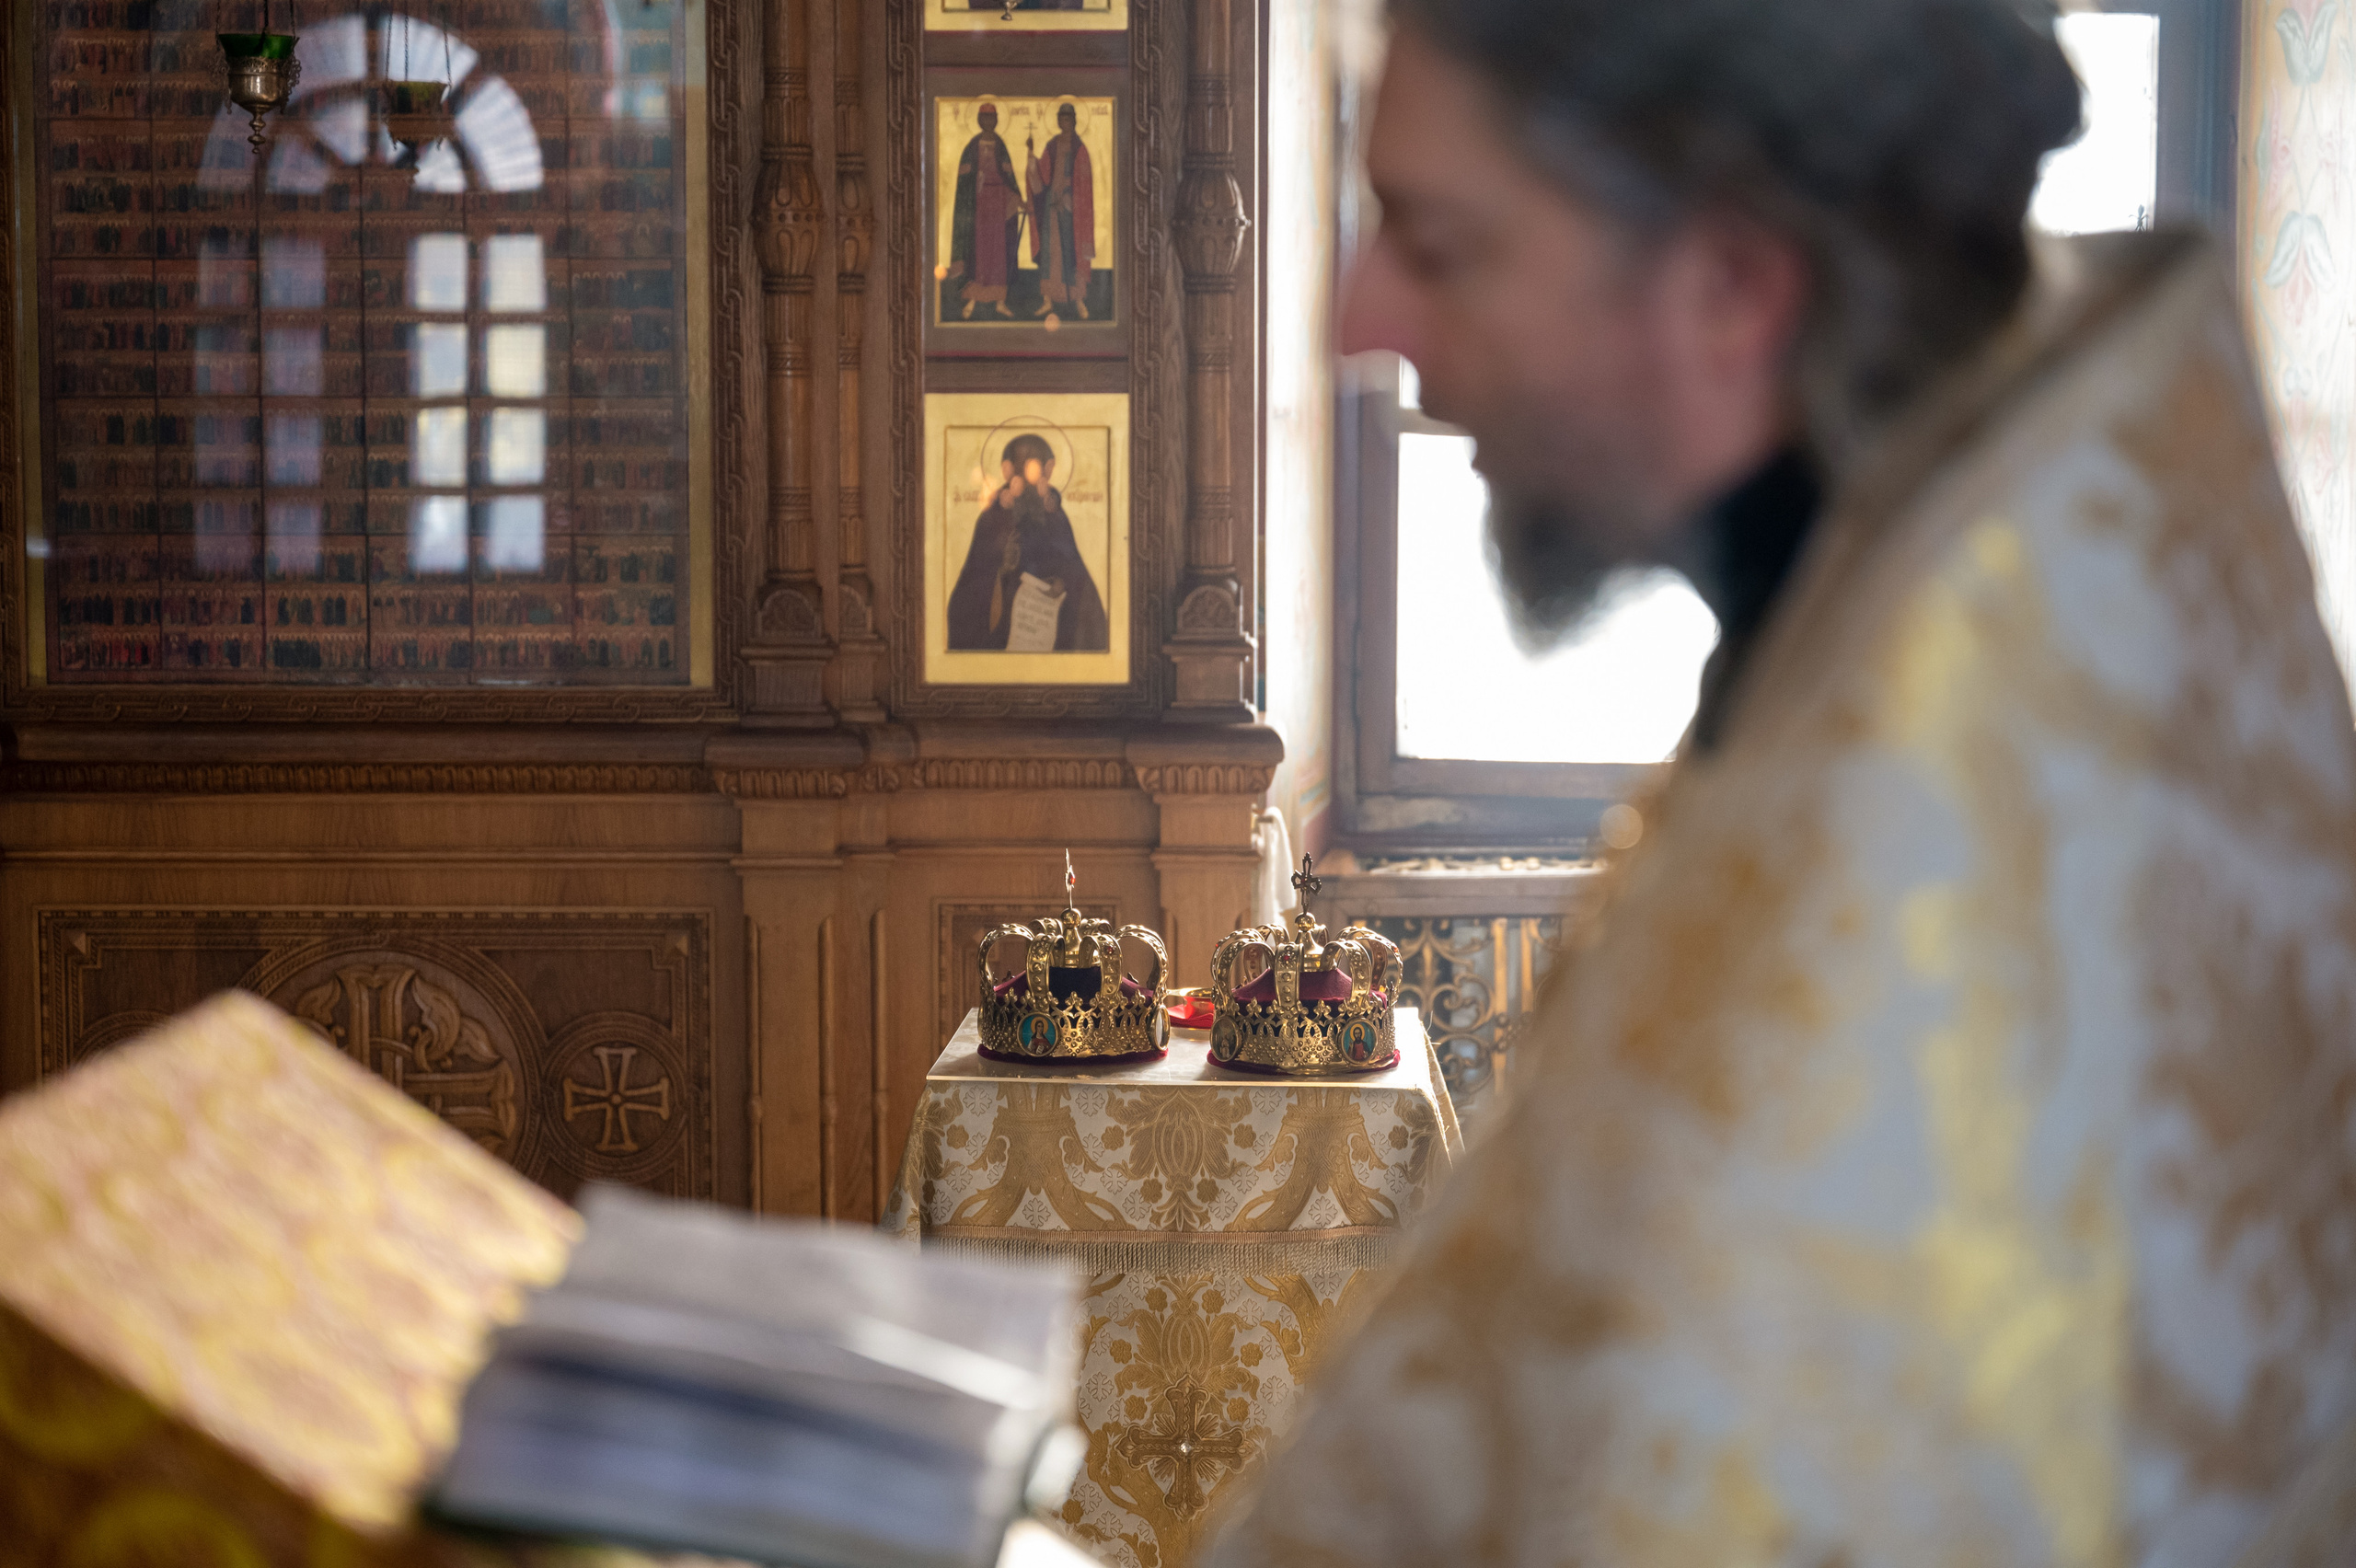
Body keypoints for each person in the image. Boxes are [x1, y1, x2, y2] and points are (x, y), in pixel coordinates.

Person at [1201, 0, 2356, 1562]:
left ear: (1734, 284)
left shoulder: (1941, 837)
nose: (1357, 317)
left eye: (1441, 241)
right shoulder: (1912, 590)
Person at [946, 432, 1109, 651]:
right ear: (1007, 470)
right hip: (1003, 627)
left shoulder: (1055, 517)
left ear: (1048, 469)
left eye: (1033, 466)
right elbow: (970, 589)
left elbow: (1075, 573)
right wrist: (1001, 570)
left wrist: (1063, 584)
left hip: (1050, 621)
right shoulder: (992, 519)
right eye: (1020, 468)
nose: (1026, 477)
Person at [947, 103, 1023, 320]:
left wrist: (1017, 199)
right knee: (979, 253)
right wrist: (974, 181)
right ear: (979, 120)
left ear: (997, 120)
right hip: (979, 207)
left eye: (992, 117)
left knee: (998, 253)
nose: (989, 121)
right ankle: (974, 297)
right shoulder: (972, 146)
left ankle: (1000, 301)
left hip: (999, 205)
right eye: (985, 118)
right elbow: (964, 182)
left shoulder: (1000, 146)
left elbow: (1009, 177)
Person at [1026, 102, 1096, 321]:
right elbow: (1042, 174)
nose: (1064, 122)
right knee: (1050, 252)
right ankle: (1048, 300)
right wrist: (1030, 155)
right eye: (1061, 119)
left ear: (1074, 121)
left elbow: (1084, 184)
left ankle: (1078, 300)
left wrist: (1069, 198)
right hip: (1051, 207)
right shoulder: (1052, 145)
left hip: (1070, 209)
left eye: (1068, 119)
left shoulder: (1079, 149)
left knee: (1072, 250)